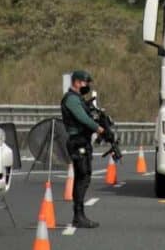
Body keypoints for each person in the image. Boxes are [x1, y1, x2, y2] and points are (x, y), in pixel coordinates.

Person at [60, 70, 104, 229]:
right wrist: (98, 128)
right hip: (77, 142)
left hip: (82, 141)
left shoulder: (78, 99)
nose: (87, 86)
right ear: (77, 82)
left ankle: (79, 215)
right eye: (85, 83)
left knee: (83, 177)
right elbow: (82, 118)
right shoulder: (71, 99)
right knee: (82, 176)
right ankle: (78, 216)